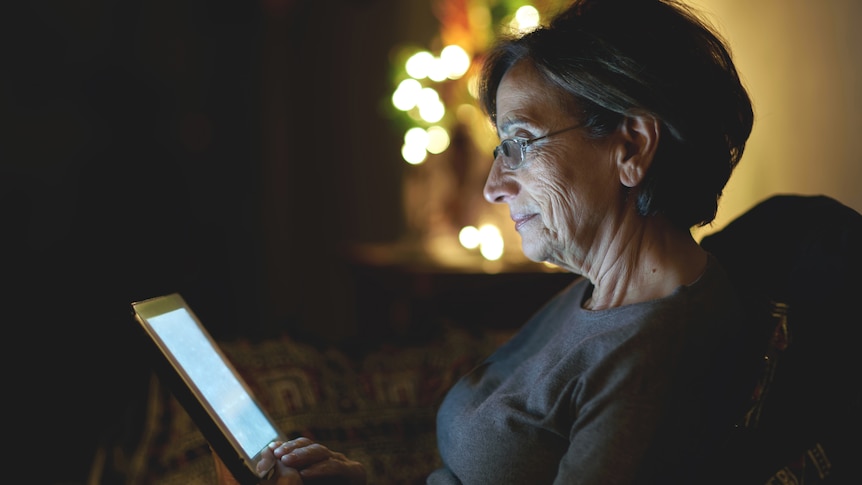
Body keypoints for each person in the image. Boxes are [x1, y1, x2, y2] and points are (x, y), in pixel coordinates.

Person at [216, 0, 762, 483]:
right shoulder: (600, 293)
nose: (494, 185)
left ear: (632, 147)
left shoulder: (648, 363)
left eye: (521, 142)